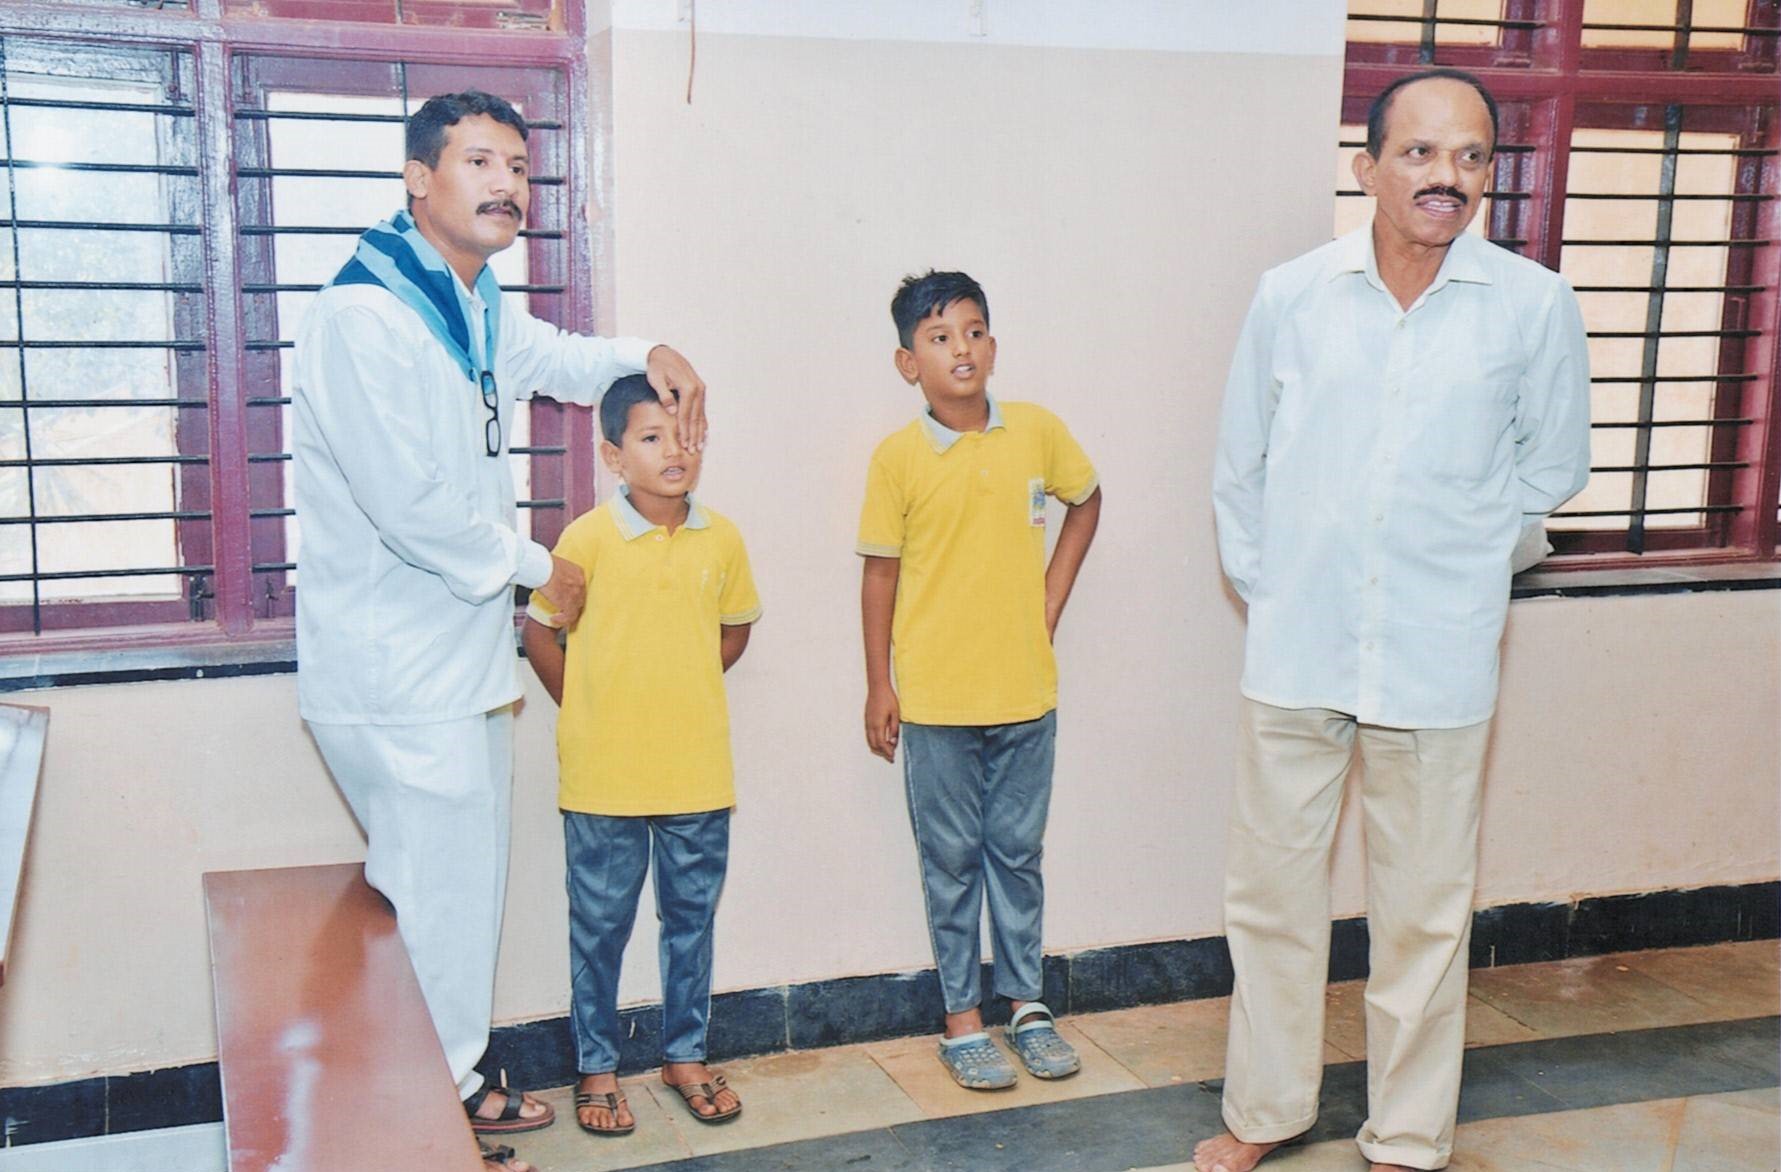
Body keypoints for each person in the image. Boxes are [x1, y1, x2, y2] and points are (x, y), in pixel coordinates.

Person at [291, 90, 709, 1172]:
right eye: (478, 161)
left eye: (518, 166)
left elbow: (559, 361)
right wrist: (541, 568)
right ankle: (425, 1125)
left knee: (455, 896)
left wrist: (649, 350)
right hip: (395, 670)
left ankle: (452, 1090)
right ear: (416, 178)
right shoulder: (365, 317)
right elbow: (407, 503)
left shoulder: (468, 300)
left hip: (456, 664)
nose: (506, 184)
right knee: (435, 899)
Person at [1196, 70, 1591, 1172]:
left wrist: (1464, 565)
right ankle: (1264, 1112)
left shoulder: (1530, 306)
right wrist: (1277, 589)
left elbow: (1553, 466)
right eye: (1418, 153)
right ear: (1366, 167)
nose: (1444, 176)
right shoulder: (1291, 296)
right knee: (1270, 901)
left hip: (1436, 657)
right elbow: (1240, 466)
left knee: (1423, 911)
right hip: (1297, 649)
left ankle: (1407, 1134)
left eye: (1469, 156)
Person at [858, 269, 1103, 1090]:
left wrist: (1050, 599)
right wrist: (879, 685)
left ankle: (1027, 1004)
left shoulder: (1034, 431)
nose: (959, 349)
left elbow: (1085, 500)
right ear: (908, 363)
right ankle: (961, 1018)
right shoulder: (896, 459)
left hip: (1024, 692)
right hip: (935, 700)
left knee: (1017, 853)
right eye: (938, 337)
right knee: (951, 859)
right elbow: (880, 575)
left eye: (971, 332)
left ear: (991, 346)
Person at [521, 374, 761, 1138]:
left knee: (690, 921)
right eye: (651, 437)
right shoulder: (585, 539)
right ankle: (596, 1067)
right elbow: (538, 634)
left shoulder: (721, 539)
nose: (673, 451)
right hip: (603, 779)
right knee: (598, 927)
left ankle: (684, 1057)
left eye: (684, 434)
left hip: (696, 772)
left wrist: (677, 689)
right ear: (613, 456)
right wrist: (589, 709)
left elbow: (732, 632)